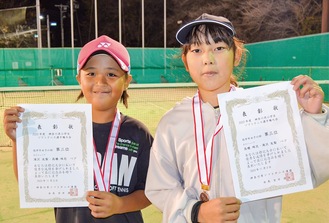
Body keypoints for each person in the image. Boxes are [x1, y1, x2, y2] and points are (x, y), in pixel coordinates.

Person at [145, 13, 329, 223]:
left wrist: (315, 116)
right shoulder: (172, 123)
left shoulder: (266, 112)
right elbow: (159, 186)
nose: (208, 59)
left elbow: (312, 168)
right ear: (186, 62)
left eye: (219, 48)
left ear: (237, 55)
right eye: (197, 50)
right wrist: (195, 211)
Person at [3, 35, 153, 223]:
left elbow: (151, 192)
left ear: (127, 81)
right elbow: (31, 185)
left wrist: (120, 205)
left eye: (112, 74)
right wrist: (19, 140)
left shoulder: (138, 133)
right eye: (91, 73)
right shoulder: (58, 129)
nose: (100, 81)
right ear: (79, 79)